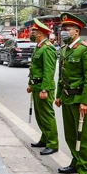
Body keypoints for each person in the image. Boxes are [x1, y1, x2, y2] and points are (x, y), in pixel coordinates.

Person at [55, 13, 87, 174]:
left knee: (84, 136)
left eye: (66, 29)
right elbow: (62, 76)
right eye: (62, 29)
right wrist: (58, 95)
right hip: (67, 98)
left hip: (81, 99)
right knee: (71, 134)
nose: (63, 32)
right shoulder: (65, 49)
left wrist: (86, 101)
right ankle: (75, 161)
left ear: (76, 31)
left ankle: (85, 171)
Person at [26, 18, 59, 156]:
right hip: (36, 86)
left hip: (44, 87)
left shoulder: (47, 48)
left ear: (39, 33)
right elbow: (34, 68)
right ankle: (45, 138)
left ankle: (53, 143)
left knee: (46, 116)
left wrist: (45, 89)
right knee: (40, 116)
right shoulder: (39, 46)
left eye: (33, 31)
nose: (31, 34)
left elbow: (48, 71)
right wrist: (30, 84)